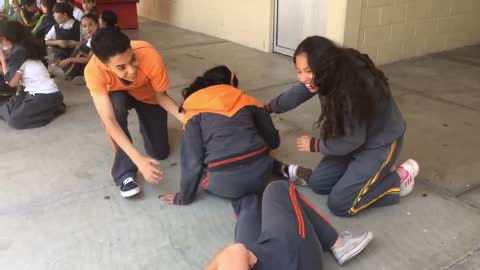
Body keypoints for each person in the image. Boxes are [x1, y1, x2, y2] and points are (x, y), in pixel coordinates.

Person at [265, 36, 419, 217]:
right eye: (299, 71)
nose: (303, 78)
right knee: (319, 184)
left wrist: (316, 145)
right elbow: (300, 91)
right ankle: (370, 174)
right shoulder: (326, 73)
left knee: (341, 204)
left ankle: (398, 179)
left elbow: (350, 140)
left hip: (380, 143)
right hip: (353, 138)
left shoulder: (350, 91)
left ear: (324, 66)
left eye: (308, 71)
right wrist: (266, 108)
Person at [160, 66, 311, 206]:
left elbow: (192, 162)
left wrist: (183, 197)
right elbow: (272, 140)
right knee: (262, 151)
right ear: (232, 84)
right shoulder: (250, 102)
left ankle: (245, 189)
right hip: (262, 173)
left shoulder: (193, 113)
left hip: (224, 185)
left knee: (207, 168)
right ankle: (283, 169)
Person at [85, 28, 184, 197]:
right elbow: (109, 120)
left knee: (160, 152)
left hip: (147, 96)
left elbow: (161, 96)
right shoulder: (93, 71)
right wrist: (138, 160)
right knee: (114, 109)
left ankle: (148, 129)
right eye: (121, 67)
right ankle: (125, 174)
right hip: (118, 96)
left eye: (133, 60)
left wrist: (185, 118)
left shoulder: (149, 55)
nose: (131, 70)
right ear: (105, 65)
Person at [205, 181, 373, 270]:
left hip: (259, 259)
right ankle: (338, 244)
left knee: (247, 204)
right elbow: (235, 251)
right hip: (293, 261)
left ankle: (258, 198)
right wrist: (233, 254)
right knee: (278, 189)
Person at [0, 21, 64, 129]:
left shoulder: (19, 52)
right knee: (5, 108)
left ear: (5, 39)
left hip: (45, 95)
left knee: (15, 121)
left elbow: (11, 83)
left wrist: (2, 59)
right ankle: (43, 108)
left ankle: (54, 108)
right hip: (32, 92)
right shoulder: (21, 48)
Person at [57, 13, 97, 83]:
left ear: (97, 24)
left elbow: (88, 59)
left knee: (81, 49)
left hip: (97, 63)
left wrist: (69, 60)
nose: (88, 28)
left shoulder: (97, 38)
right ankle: (81, 74)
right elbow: (87, 43)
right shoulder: (93, 36)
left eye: (91, 25)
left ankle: (67, 72)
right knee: (79, 48)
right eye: (85, 26)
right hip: (92, 62)